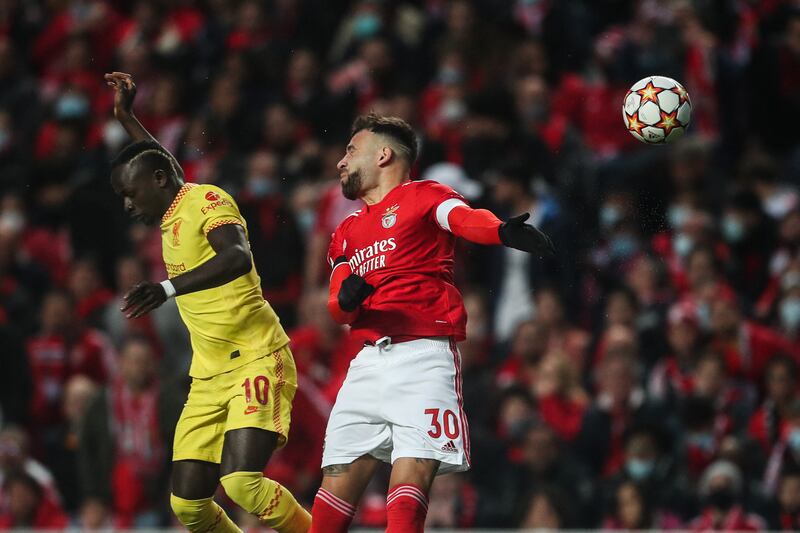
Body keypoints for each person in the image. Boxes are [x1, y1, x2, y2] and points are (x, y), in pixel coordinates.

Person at [310, 113, 554, 532]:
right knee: (332, 496)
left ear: (383, 154)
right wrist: (346, 301)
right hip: (366, 364)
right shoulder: (345, 231)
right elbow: (337, 304)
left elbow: (463, 219)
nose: (340, 162)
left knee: (406, 496)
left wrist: (500, 232)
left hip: (423, 358)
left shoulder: (425, 196)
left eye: (350, 150)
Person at [103, 72, 309, 533]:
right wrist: (126, 117)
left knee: (242, 484)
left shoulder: (207, 198)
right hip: (208, 376)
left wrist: (167, 288)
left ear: (156, 183)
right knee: (188, 507)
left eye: (130, 195)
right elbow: (162, 165)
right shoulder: (173, 199)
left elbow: (237, 257)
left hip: (257, 356)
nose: (128, 206)